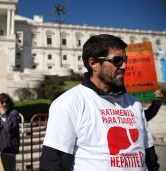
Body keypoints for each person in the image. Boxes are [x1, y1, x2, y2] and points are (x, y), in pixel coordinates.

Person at [40, 34, 159, 171]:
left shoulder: (134, 104)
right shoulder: (68, 103)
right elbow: (53, 163)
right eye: (117, 60)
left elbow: (150, 156)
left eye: (125, 59)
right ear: (94, 64)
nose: (124, 66)